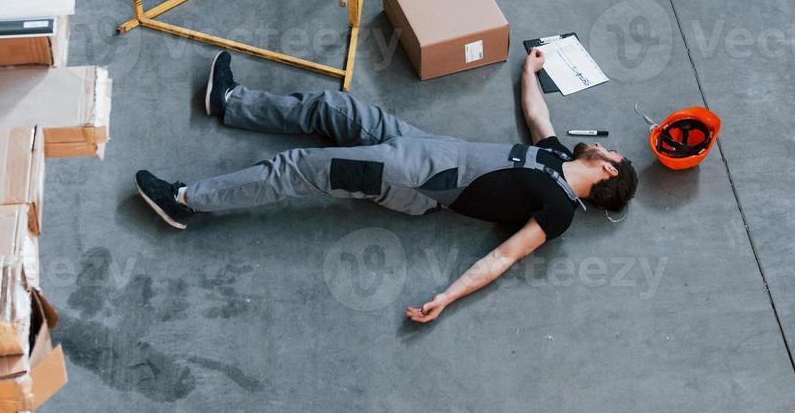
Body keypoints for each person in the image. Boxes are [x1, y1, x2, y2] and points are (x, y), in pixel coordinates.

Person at [135, 48, 638, 322]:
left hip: (418, 179)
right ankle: (230, 102)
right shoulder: (554, 154)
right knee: (336, 108)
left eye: (611, 152)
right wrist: (530, 70)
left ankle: (184, 201)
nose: (604, 145)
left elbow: (503, 257)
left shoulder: (559, 208)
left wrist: (446, 297)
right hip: (425, 146)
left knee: (301, 167)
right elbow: (537, 114)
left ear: (608, 171)